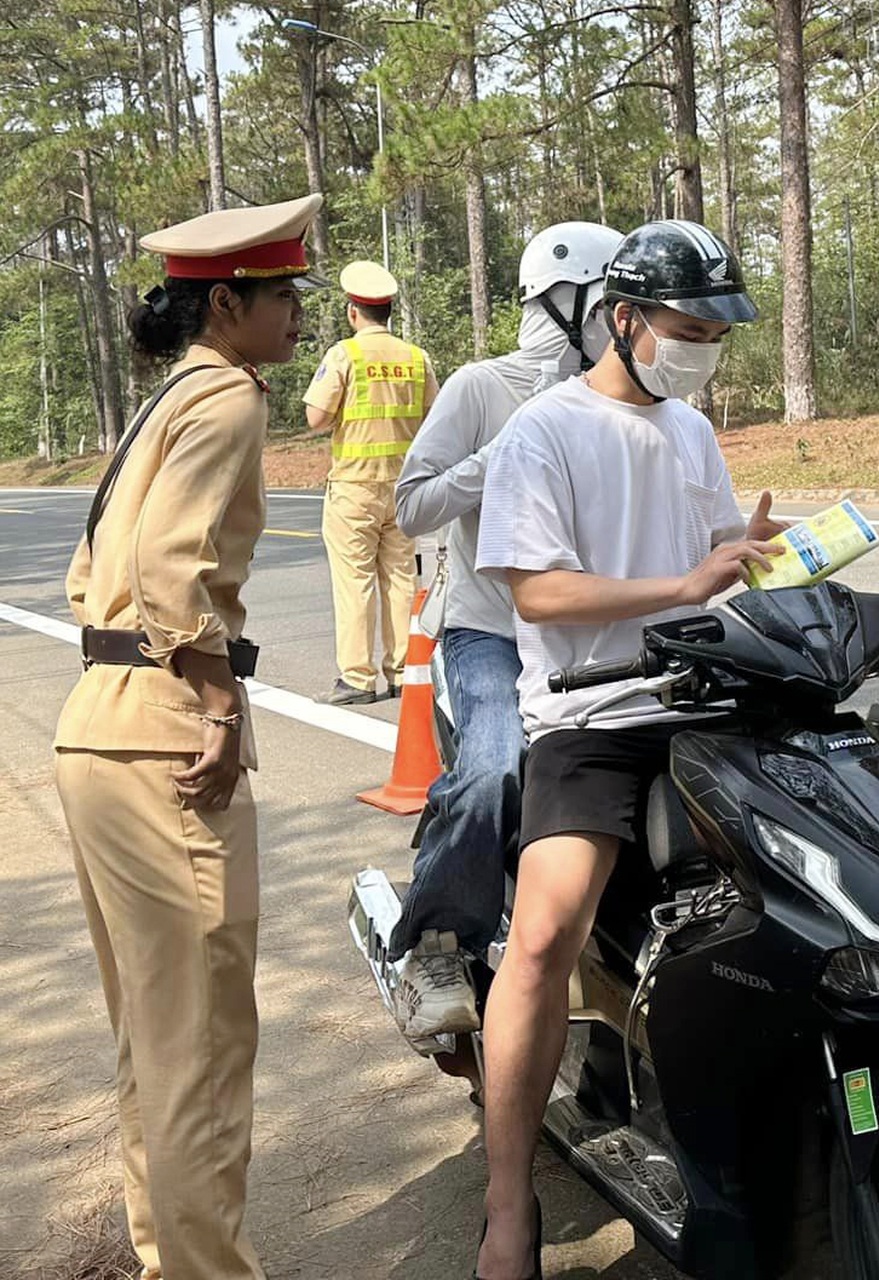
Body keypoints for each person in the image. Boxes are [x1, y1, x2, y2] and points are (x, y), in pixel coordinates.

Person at [469, 219, 785, 1279]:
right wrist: (680, 586)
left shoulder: (690, 429)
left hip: (701, 700)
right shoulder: (543, 432)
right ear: (625, 318)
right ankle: (508, 1202)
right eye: (686, 327)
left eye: (714, 332)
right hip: (589, 715)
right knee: (545, 929)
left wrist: (744, 549)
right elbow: (537, 587)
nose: (701, 346)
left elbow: (707, 551)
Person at [55, 193, 321, 1280]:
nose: (297, 313)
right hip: (168, 738)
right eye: (283, 295)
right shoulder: (227, 400)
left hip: (97, 728)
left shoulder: (163, 399)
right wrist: (217, 703)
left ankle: (171, 1254)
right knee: (203, 1049)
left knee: (156, 1040)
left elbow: (95, 574)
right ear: (228, 303)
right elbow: (174, 577)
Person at [383, 221, 625, 1041]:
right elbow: (411, 505)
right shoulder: (481, 388)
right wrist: (499, 457)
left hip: (586, 633)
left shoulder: (614, 396)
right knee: (493, 769)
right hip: (490, 631)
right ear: (571, 301)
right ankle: (436, 942)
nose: (623, 320)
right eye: (612, 302)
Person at [304, 259, 439, 705]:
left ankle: (358, 678)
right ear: (389, 311)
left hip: (354, 489)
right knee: (401, 577)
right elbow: (434, 419)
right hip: (402, 488)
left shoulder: (344, 355)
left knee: (355, 581)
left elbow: (316, 418)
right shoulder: (416, 358)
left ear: (352, 311)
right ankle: (403, 669)